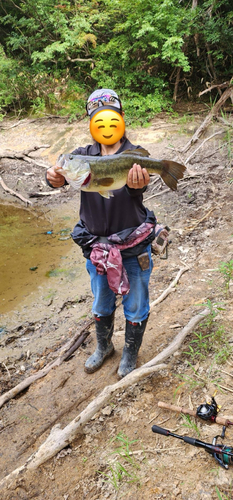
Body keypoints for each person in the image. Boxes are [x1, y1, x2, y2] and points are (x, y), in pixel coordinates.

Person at [46, 88, 157, 378]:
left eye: (111, 119)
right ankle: (104, 347)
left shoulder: (133, 156)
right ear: (92, 124)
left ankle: (130, 353)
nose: (106, 126)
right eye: (99, 121)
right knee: (101, 302)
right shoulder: (81, 157)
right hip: (97, 248)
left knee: (135, 303)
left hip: (133, 247)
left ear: (120, 120)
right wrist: (53, 177)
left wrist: (137, 185)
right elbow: (59, 178)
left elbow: (138, 191)